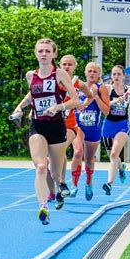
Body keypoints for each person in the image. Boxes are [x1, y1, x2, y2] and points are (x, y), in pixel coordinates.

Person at [11, 38, 78, 225]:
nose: (44, 54)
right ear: (35, 53)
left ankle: (60, 188)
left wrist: (58, 107)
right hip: (38, 125)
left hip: (56, 126)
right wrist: (19, 107)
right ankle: (43, 206)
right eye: (40, 51)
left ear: (53, 54)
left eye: (48, 51)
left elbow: (75, 100)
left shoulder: (60, 74)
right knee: (41, 167)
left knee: (56, 174)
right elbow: (32, 93)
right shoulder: (30, 75)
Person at [56, 54, 93, 203]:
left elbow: (90, 96)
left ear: (75, 66)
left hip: (70, 124)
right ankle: (58, 187)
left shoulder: (78, 83)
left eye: (70, 64)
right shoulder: (54, 80)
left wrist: (82, 105)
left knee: (61, 149)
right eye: (64, 64)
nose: (67, 67)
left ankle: (62, 185)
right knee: (54, 156)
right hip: (53, 123)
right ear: (59, 65)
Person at [101, 65, 130, 195]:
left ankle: (109, 184)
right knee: (112, 156)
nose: (116, 77)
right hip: (108, 125)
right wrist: (115, 101)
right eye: (114, 74)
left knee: (113, 154)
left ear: (124, 76)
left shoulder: (129, 90)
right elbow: (102, 104)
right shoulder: (107, 89)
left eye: (119, 74)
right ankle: (121, 168)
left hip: (122, 125)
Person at [74, 62, 110, 201]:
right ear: (85, 72)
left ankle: (88, 183)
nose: (92, 73)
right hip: (78, 126)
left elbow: (106, 111)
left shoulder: (102, 88)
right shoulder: (79, 86)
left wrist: (95, 97)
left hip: (93, 128)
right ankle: (74, 186)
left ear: (99, 74)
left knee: (89, 159)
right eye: (90, 71)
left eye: (95, 71)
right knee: (77, 153)